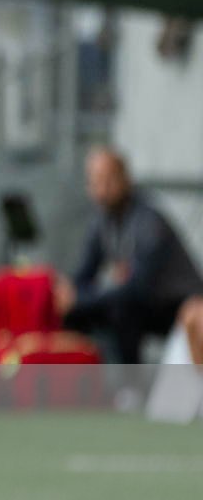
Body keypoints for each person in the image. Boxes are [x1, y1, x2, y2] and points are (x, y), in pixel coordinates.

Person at [58, 147, 203, 364]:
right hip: (141, 302)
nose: (103, 188)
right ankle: (78, 376)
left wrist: (81, 299)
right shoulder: (102, 222)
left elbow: (137, 287)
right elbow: (84, 272)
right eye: (96, 181)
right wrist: (68, 295)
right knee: (74, 312)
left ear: (126, 179)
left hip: (178, 306)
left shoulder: (149, 222)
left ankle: (130, 388)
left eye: (110, 179)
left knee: (120, 307)